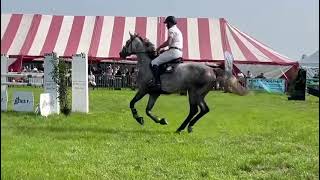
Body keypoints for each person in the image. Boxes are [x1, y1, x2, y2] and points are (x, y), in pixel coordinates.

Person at [150, 16, 183, 88]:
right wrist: (165, 50)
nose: (166, 25)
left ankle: (157, 82)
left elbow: (168, 42)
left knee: (153, 62)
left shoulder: (171, 29)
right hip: (178, 52)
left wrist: (159, 47)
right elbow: (172, 44)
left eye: (166, 23)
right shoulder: (178, 30)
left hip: (174, 52)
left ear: (170, 23)